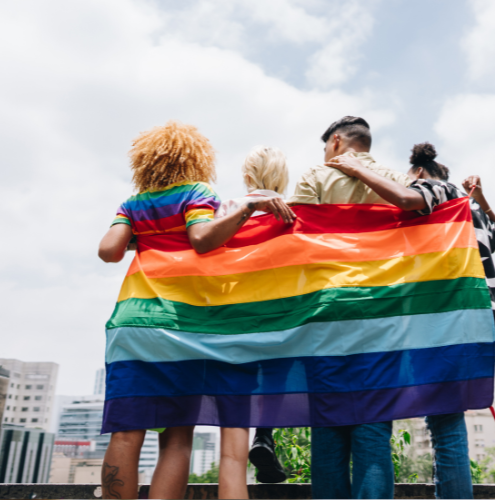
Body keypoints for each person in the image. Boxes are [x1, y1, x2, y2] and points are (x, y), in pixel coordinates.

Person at [97, 121, 295, 500]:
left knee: (126, 430)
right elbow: (202, 239)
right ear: (196, 159)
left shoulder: (132, 204)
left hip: (131, 324)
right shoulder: (197, 192)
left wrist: (142, 229)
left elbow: (108, 251)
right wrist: (250, 205)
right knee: (177, 437)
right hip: (179, 325)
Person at [325, 142, 495, 499]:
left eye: (412, 180)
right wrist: (482, 198)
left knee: (411, 415)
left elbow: (406, 200)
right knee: (448, 421)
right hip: (483, 322)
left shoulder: (442, 190)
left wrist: (357, 169)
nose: (410, 186)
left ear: (421, 174)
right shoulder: (471, 208)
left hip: (447, 320)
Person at [288, 116, 408, 499]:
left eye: (326, 146)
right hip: (383, 313)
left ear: (336, 142)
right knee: (372, 429)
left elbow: (293, 239)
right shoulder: (397, 181)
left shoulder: (315, 178)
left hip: (326, 314)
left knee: (327, 428)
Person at [216, 145, 291, 484]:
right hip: (280, 308)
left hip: (236, 309)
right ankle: (265, 435)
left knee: (241, 383)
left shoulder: (229, 207)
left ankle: (241, 451)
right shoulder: (293, 212)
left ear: (247, 177)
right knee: (276, 376)